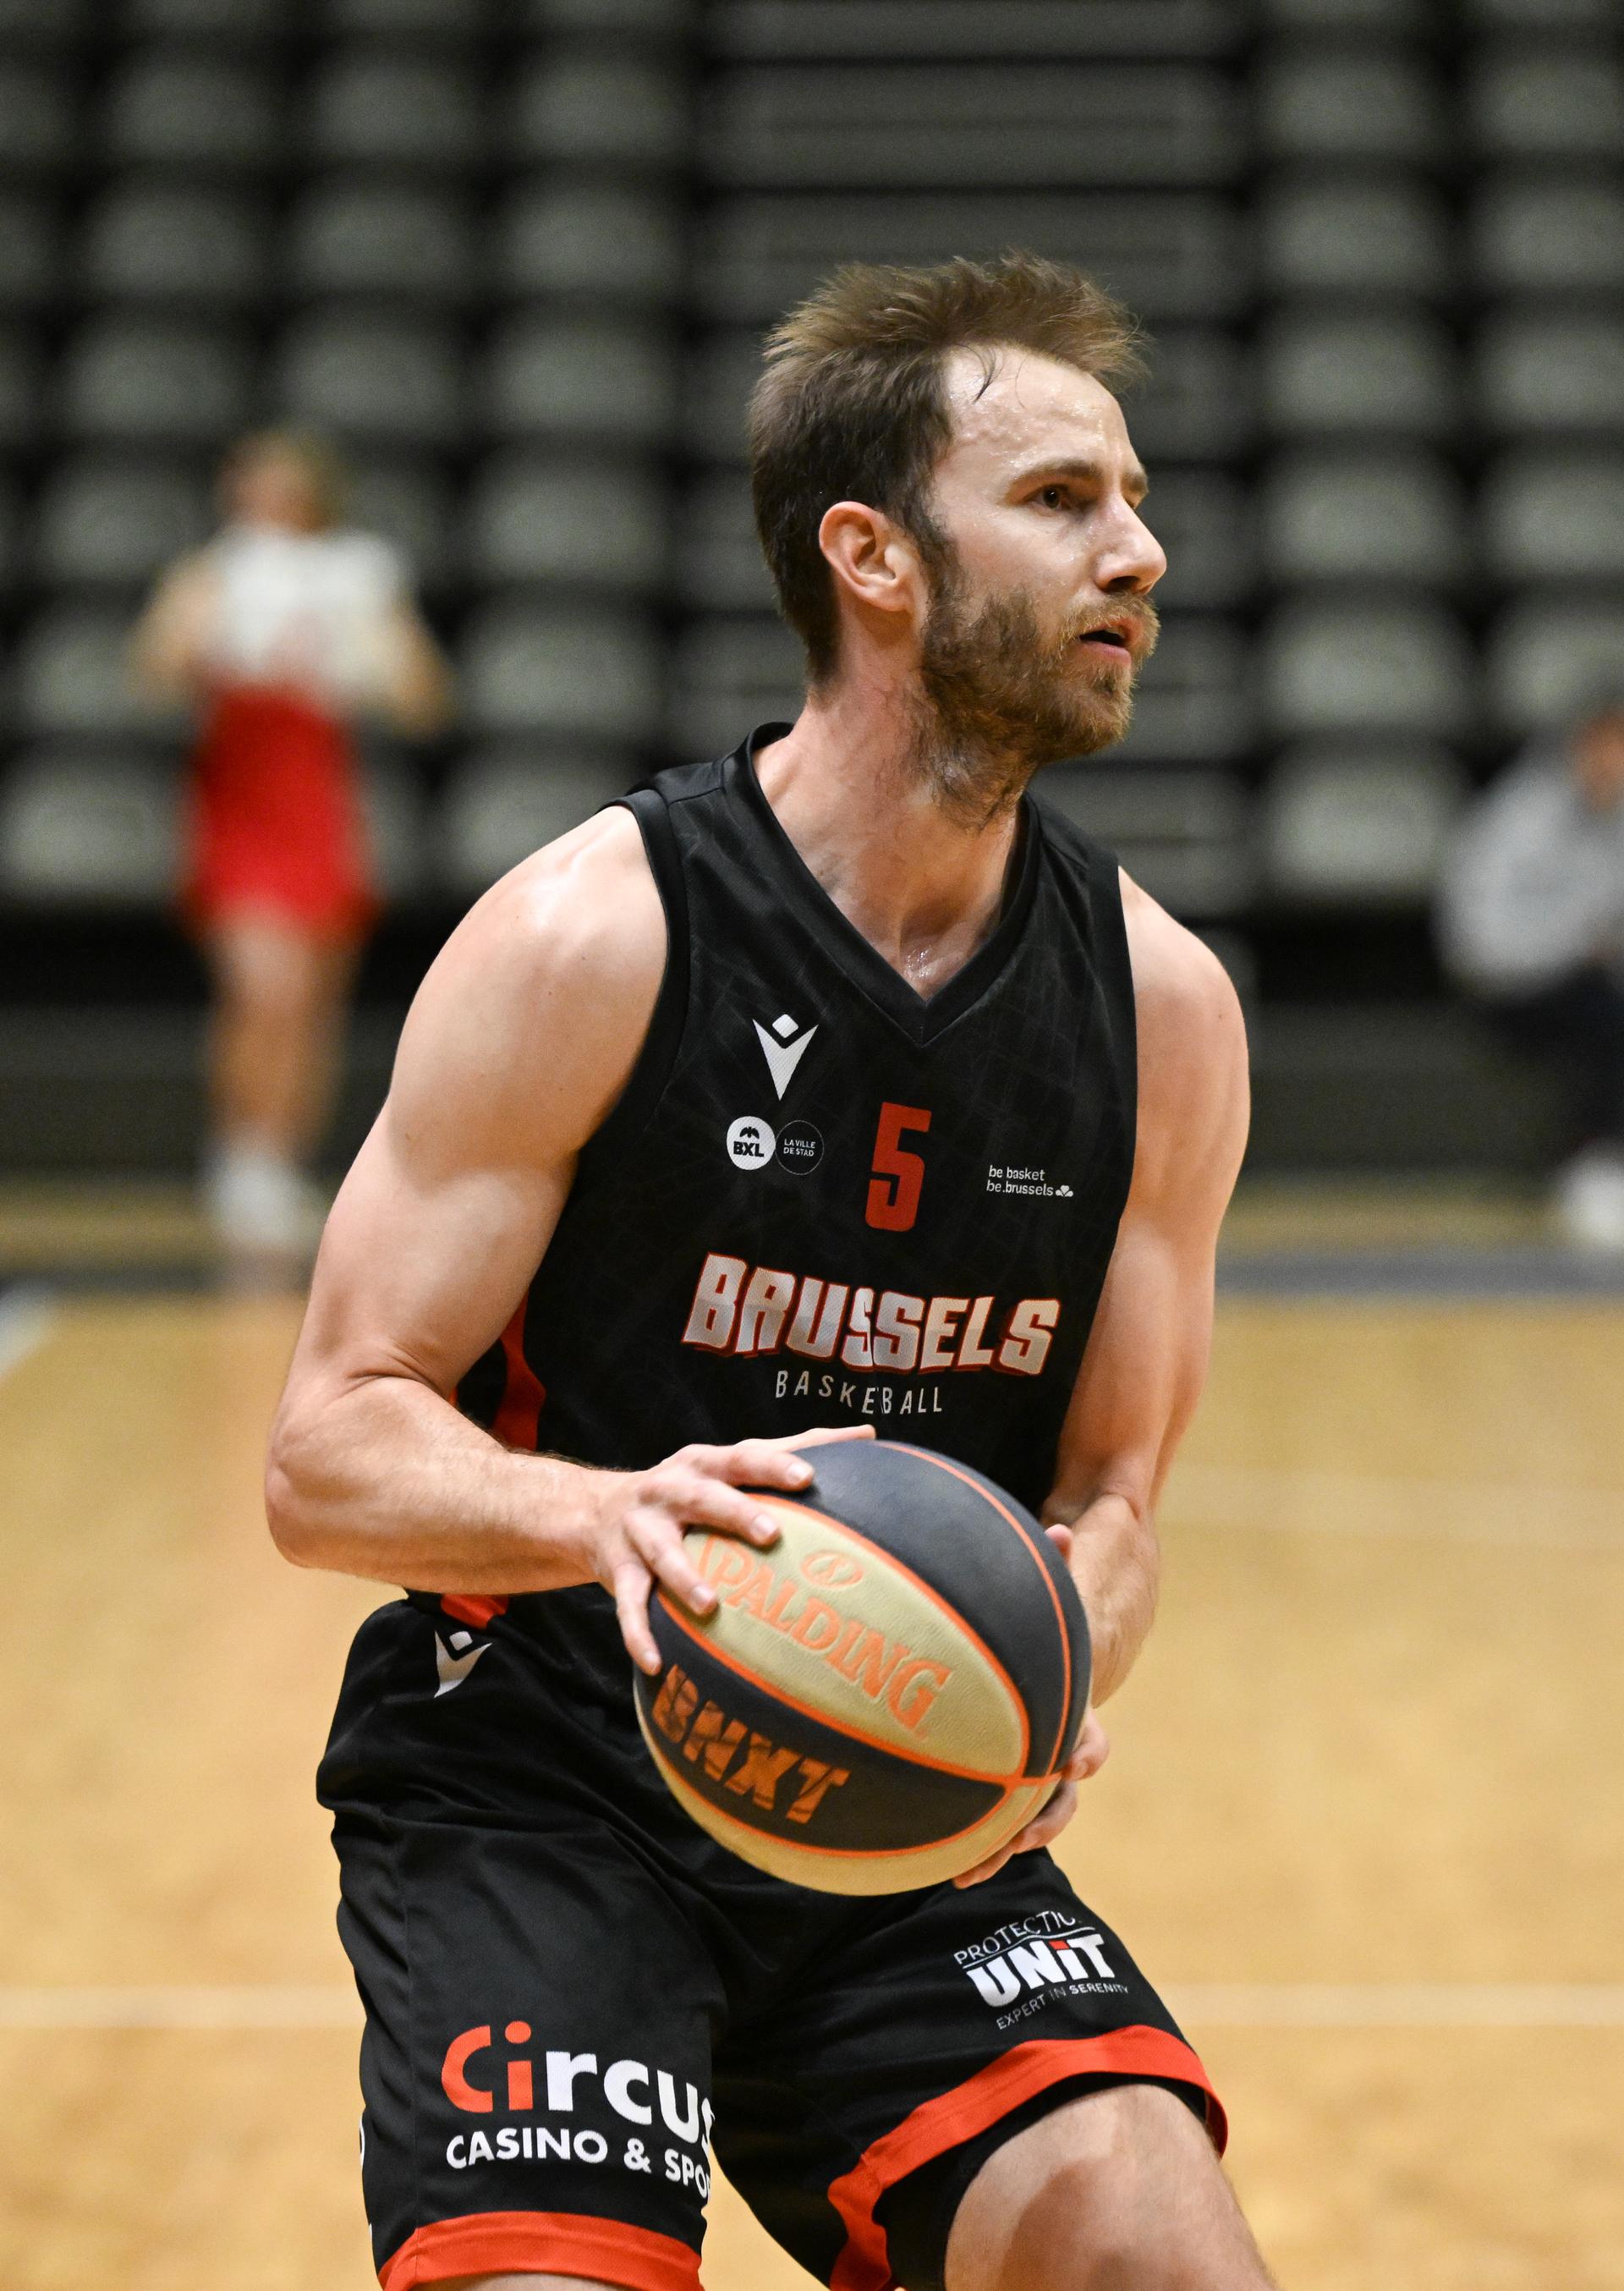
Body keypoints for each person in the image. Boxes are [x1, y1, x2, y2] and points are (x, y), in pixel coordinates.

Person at [267, 255, 1265, 2291]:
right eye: (1064, 499)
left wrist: (1066, 1651)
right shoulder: (588, 936)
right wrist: (612, 1511)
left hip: (892, 1804)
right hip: (539, 1773)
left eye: (1136, 497)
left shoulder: (1162, 1008)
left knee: (1162, 2244)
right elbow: (327, 1455)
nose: (1139, 550)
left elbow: (1114, 1495)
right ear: (871, 555)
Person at [131, 430, 452, 1258]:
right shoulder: (211, 571)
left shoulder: (358, 573)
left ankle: (281, 1159)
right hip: (240, 792)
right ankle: (240, 1155)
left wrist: (372, 642)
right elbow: (156, 675)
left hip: (318, 795)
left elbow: (423, 700)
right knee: (262, 991)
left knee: (311, 1004)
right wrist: (200, 616)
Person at [1439, 688, 1624, 1251]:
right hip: (1511, 988)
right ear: (1582, 744)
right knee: (1606, 1019)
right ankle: (1599, 1167)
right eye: (1609, 745)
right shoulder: (1518, 818)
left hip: (1594, 981)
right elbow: (1479, 940)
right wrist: (1572, 948)